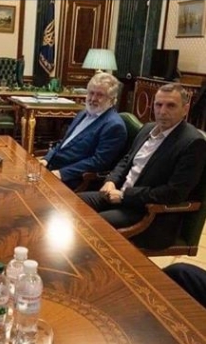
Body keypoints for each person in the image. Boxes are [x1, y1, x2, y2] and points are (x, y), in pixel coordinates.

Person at [79, 83, 206, 249]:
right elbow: (126, 160)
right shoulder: (148, 128)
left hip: (149, 213)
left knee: (89, 225)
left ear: (185, 109)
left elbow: (174, 193)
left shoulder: (193, 143)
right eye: (158, 105)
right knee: (72, 203)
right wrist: (111, 180)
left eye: (171, 106)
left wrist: (124, 196)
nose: (162, 111)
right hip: (118, 196)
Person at [38, 73, 127, 189]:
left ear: (111, 99)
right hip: (51, 167)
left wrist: (62, 173)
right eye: (91, 93)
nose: (93, 99)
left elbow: (98, 162)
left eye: (100, 95)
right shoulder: (83, 113)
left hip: (72, 179)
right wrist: (46, 159)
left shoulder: (114, 126)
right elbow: (64, 142)